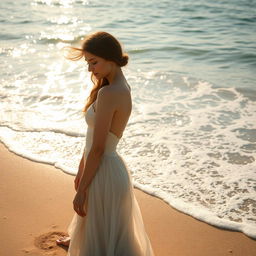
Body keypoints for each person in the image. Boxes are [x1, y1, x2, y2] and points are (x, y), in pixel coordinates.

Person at [56, 31, 155, 256]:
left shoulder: (110, 92)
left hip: (105, 170)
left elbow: (99, 148)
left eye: (94, 62)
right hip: (107, 168)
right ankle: (80, 240)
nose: (90, 69)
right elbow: (93, 140)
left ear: (110, 58)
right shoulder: (117, 86)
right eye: (88, 63)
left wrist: (81, 190)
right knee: (100, 225)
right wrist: (81, 169)